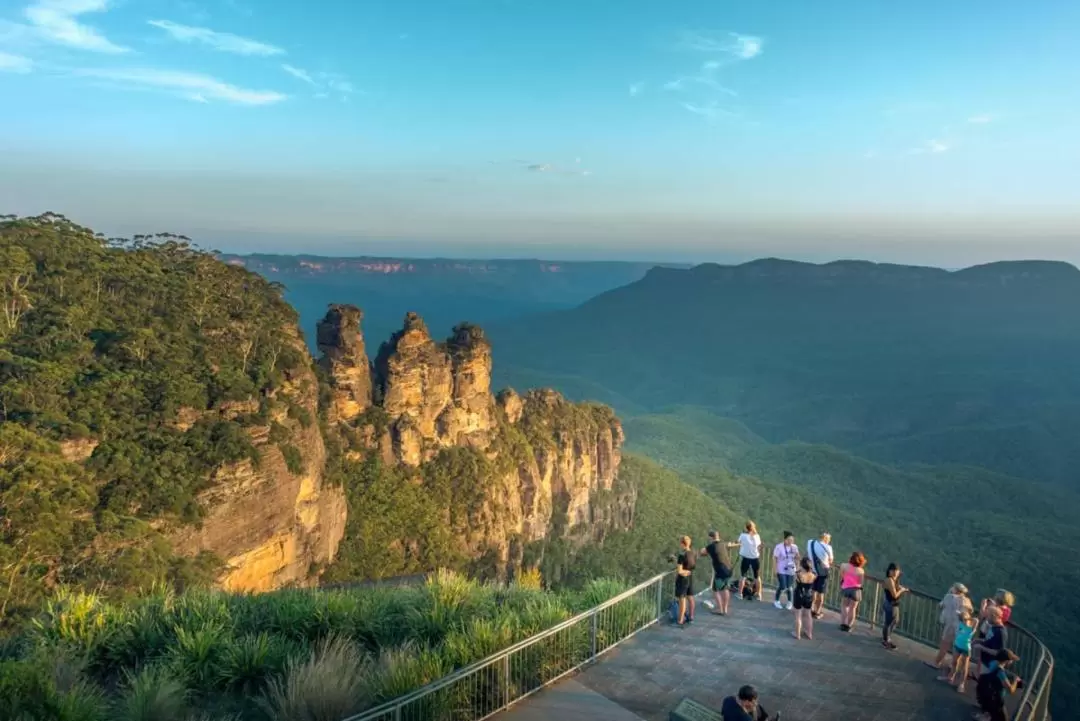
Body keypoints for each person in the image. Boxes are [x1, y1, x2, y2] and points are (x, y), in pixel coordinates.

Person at [931, 582, 973, 670]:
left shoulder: (948, 597)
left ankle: (937, 662)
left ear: (955, 589)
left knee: (944, 645)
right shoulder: (966, 600)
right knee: (957, 648)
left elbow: (941, 605)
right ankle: (954, 667)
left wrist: (948, 593)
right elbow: (970, 612)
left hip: (950, 625)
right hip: (961, 627)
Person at [974, 648, 1021, 721]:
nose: (1012, 662)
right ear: (1006, 661)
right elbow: (1011, 690)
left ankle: (986, 715)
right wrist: (1015, 681)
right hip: (997, 701)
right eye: (1011, 660)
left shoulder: (992, 664)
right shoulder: (1000, 673)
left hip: (987, 696)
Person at [939, 610, 976, 693]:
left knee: (964, 666)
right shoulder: (960, 624)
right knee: (954, 662)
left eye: (964, 618)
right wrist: (962, 615)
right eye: (962, 619)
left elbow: (976, 620)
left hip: (966, 648)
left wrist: (968, 618)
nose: (963, 620)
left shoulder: (971, 628)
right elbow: (957, 613)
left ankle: (961, 684)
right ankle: (951, 676)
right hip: (957, 645)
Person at [701, 530, 736, 616]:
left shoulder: (711, 546)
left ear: (711, 538)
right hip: (728, 569)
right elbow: (729, 545)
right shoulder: (722, 543)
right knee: (725, 589)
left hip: (720, 571)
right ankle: (725, 609)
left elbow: (702, 552)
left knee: (715, 590)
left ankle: (720, 610)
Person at [971, 605, 1009, 680]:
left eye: (988, 617)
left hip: (991, 664)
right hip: (985, 662)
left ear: (993, 616)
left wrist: (981, 647)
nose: (987, 619)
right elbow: (990, 641)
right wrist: (979, 640)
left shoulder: (1001, 632)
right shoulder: (993, 627)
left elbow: (998, 652)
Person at [805, 531, 833, 618]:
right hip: (823, 573)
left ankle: (810, 609)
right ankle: (817, 612)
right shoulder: (828, 547)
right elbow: (831, 561)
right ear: (826, 539)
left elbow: (807, 554)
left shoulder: (810, 542)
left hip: (812, 571)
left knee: (813, 591)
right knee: (821, 592)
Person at [881, 562, 908, 650]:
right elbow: (895, 595)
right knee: (889, 623)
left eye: (896, 570)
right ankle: (886, 640)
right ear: (889, 571)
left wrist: (901, 587)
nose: (895, 572)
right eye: (893, 570)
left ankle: (886, 637)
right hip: (890, 604)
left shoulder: (893, 580)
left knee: (894, 621)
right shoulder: (889, 580)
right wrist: (902, 590)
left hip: (891, 604)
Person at [838, 551, 866, 632]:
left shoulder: (844, 566)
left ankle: (843, 624)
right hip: (856, 590)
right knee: (852, 609)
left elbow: (842, 575)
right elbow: (861, 583)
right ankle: (849, 626)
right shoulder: (861, 571)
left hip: (846, 588)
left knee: (844, 606)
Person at [772, 531, 800, 610]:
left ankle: (789, 602)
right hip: (781, 569)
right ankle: (776, 601)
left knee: (789, 586)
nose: (790, 542)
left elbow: (797, 558)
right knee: (783, 586)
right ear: (785, 539)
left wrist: (797, 568)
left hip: (791, 569)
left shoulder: (794, 547)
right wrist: (775, 569)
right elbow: (774, 558)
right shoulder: (779, 547)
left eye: (792, 540)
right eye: (789, 540)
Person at [737, 521, 763, 601]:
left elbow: (738, 542)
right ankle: (759, 594)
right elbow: (759, 545)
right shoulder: (757, 536)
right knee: (757, 577)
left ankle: (740, 594)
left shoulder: (743, 535)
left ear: (746, 527)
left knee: (743, 576)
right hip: (755, 557)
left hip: (746, 558)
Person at [674, 535, 697, 627]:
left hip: (683, 580)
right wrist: (688, 571)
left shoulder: (681, 555)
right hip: (690, 578)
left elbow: (679, 571)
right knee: (690, 598)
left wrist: (685, 571)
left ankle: (680, 620)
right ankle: (691, 616)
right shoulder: (693, 553)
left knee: (682, 600)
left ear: (682, 544)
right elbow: (691, 565)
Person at [793, 557, 816, 640]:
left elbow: (795, 578)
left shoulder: (799, 574)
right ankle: (809, 633)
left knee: (798, 615)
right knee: (808, 615)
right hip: (808, 595)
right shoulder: (813, 574)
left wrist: (797, 564)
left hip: (799, 594)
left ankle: (797, 634)